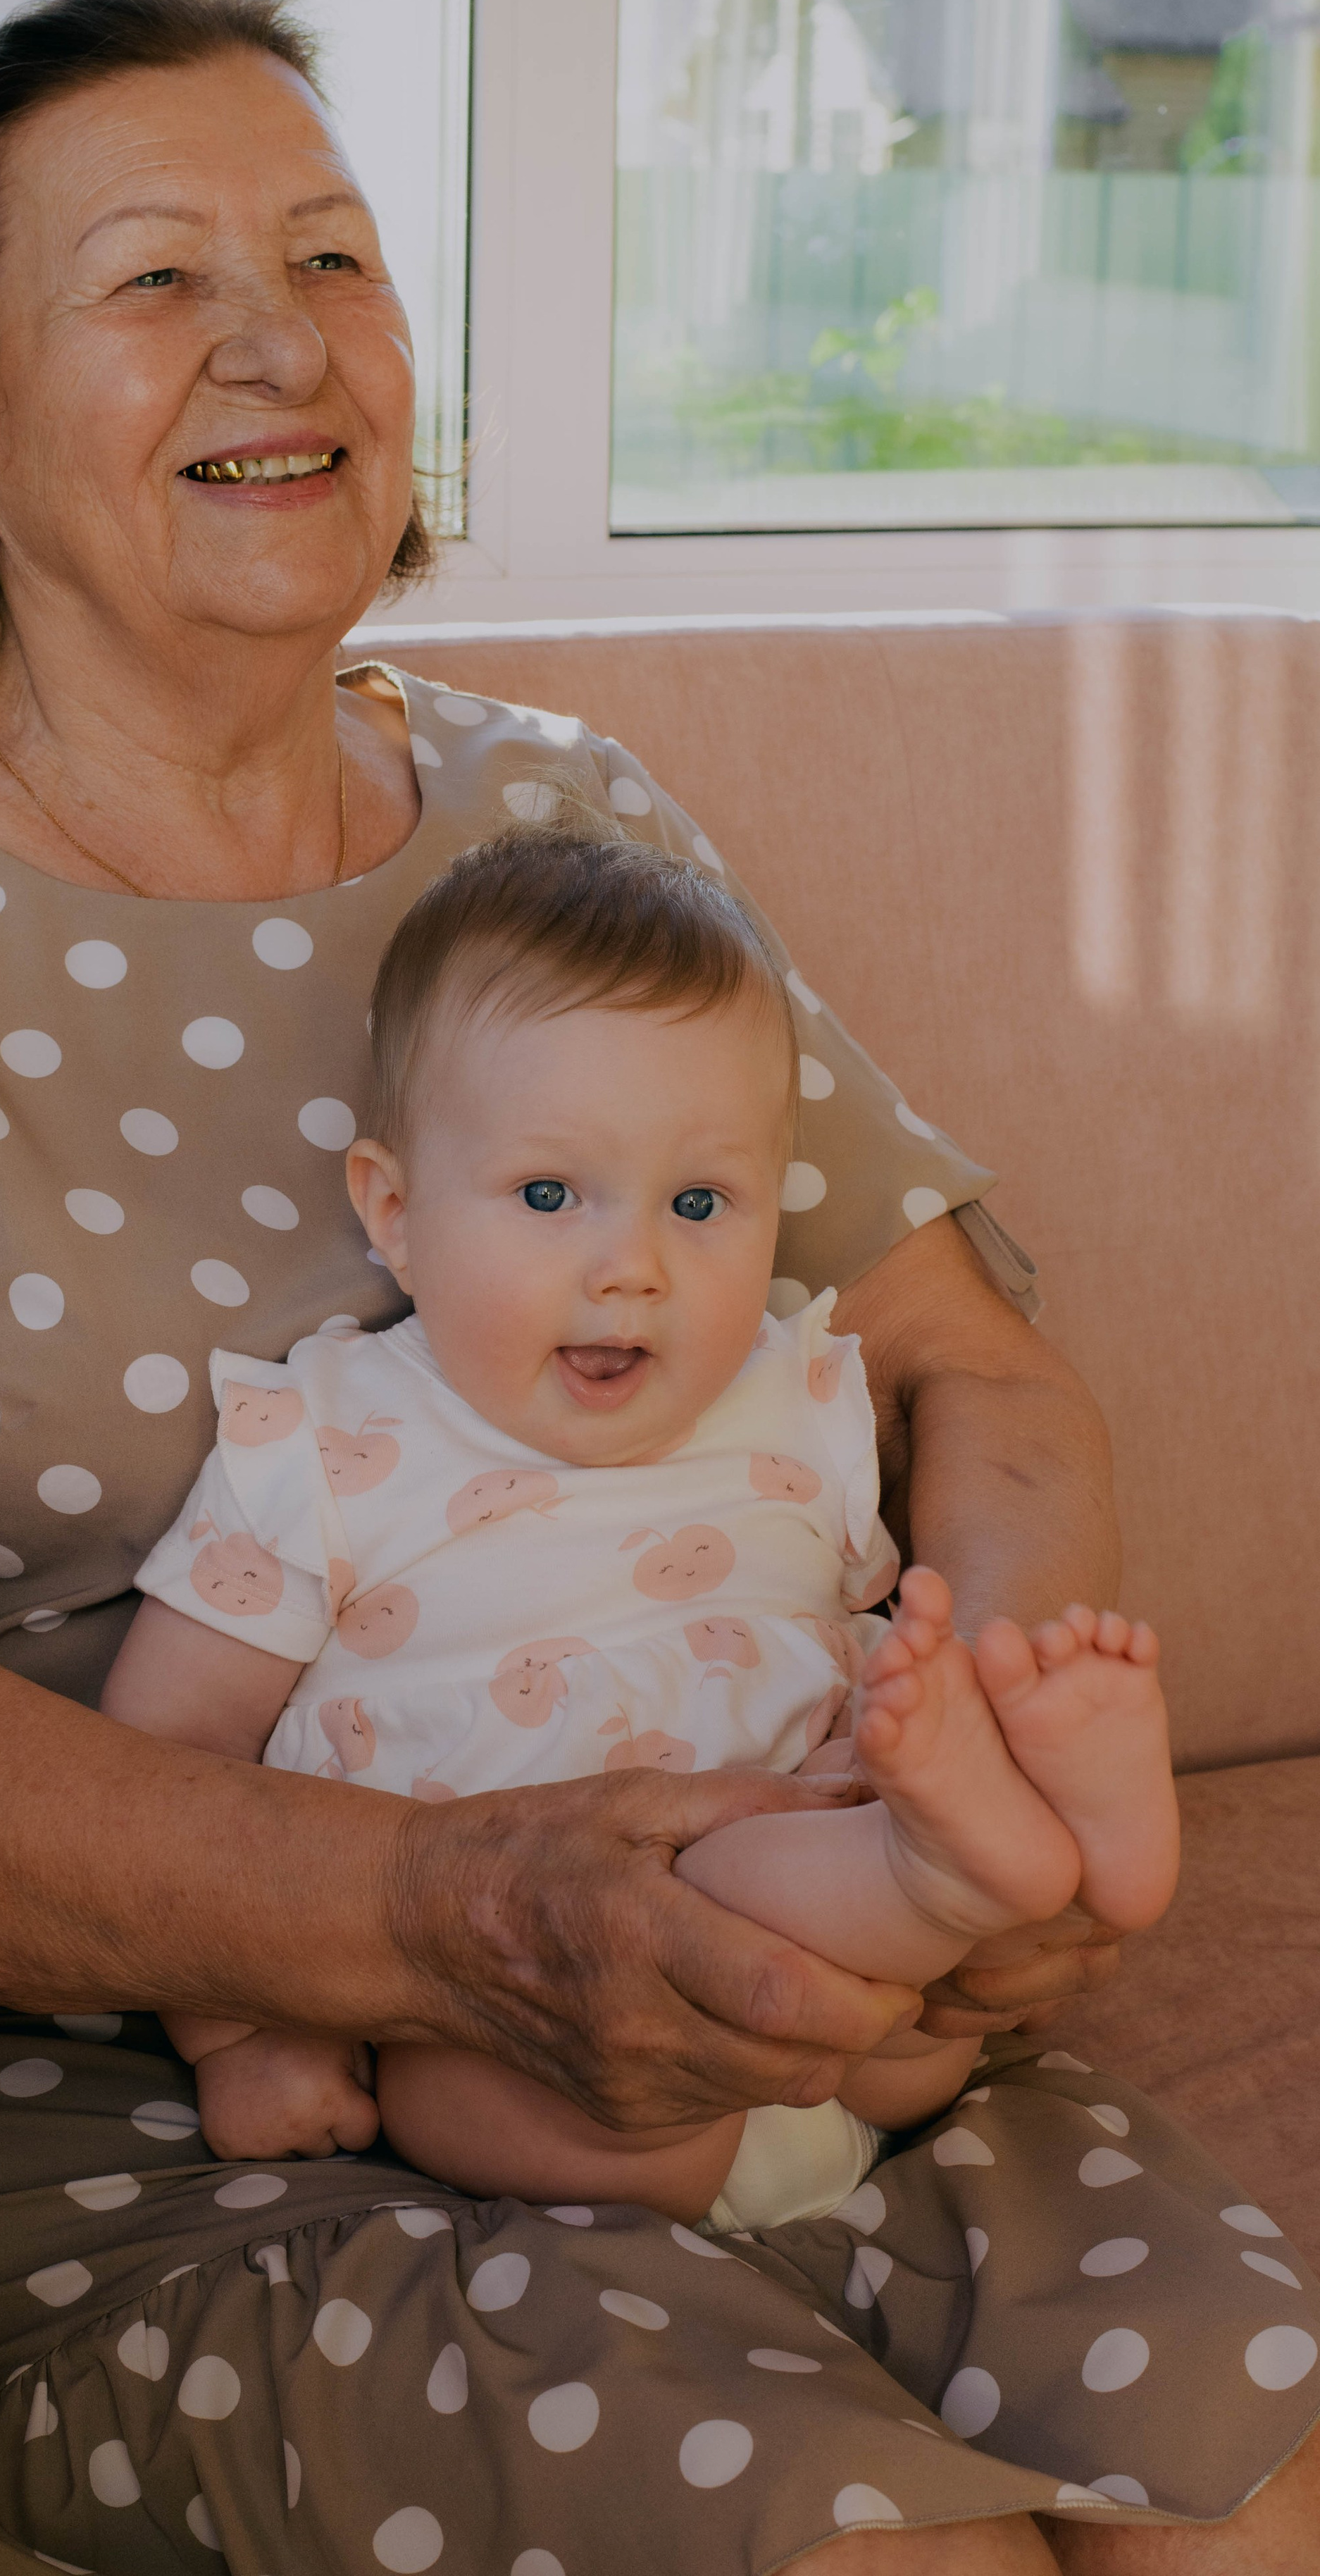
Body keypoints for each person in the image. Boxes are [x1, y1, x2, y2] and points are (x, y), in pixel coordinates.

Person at [0, 0, 1314, 2576]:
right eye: (158, 277)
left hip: (724, 1939)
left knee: (1241, 2482)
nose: (283, 339)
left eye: (335, 257)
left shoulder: (559, 817)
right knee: (849, 2544)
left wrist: (1006, 1822)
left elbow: (977, 1379)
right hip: (64, 2045)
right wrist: (434, 1916)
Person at [105, 829, 1181, 2234]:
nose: (633, 1267)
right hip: (517, 2007)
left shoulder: (796, 1404)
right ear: (396, 1211)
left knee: (887, 1981)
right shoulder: (324, 1442)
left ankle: (977, 1856)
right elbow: (165, 1762)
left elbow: (868, 1641)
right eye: (549, 1195)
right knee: (534, 2099)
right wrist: (246, 2032)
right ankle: (975, 1859)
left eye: (698, 1202)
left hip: (846, 2015)